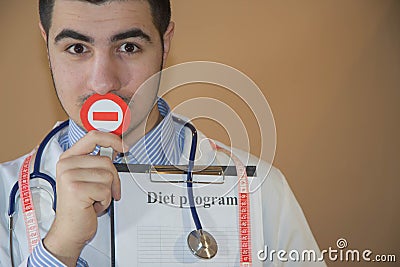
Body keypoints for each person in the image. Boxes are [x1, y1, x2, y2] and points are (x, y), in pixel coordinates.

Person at [0, 0, 325, 266]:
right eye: (76, 48)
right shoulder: (5, 195)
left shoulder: (260, 190)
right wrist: (58, 251)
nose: (102, 82)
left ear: (165, 43)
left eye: (128, 46)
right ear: (46, 45)